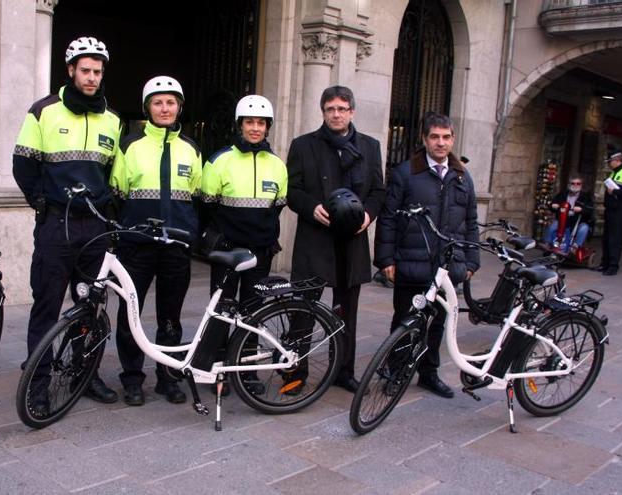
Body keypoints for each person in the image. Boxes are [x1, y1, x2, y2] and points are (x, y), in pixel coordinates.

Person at [12, 36, 121, 405]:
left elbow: (113, 175)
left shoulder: (113, 120)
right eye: (85, 70)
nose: (91, 77)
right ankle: (37, 386)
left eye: (98, 71)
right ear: (71, 70)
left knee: (91, 305)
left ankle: (83, 375)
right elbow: (23, 165)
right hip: (56, 226)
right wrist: (42, 204)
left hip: (95, 228)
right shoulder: (43, 110)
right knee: (47, 306)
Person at [108, 76, 202, 406]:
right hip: (137, 245)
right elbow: (117, 193)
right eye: (158, 102)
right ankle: (132, 378)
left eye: (171, 102)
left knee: (170, 316)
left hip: (176, 246)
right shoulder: (129, 145)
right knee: (129, 314)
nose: (165, 108)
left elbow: (195, 195)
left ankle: (167, 377)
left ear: (179, 107)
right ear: (148, 107)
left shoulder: (191, 148)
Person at [286, 85, 386, 393]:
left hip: (351, 242)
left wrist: (368, 216)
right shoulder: (303, 145)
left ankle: (344, 370)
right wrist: (310, 207)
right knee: (303, 310)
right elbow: (291, 190)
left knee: (346, 313)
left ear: (352, 112)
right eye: (330, 109)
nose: (336, 114)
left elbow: (378, 191)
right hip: (314, 239)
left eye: (342, 108)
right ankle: (295, 370)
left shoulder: (370, 146)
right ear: (323, 112)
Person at [374, 112, 479, 399]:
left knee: (437, 324)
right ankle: (396, 371)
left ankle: (428, 374)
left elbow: (470, 220)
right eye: (435, 137)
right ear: (424, 139)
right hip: (411, 261)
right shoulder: (405, 173)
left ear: (453, 139)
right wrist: (386, 259)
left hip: (446, 267)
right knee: (405, 322)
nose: (441, 143)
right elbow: (388, 218)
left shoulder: (462, 176)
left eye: (446, 137)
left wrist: (471, 261)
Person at [200, 95, 287, 394]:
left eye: (260, 123)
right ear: (240, 125)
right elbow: (207, 205)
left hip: (260, 252)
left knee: (253, 313)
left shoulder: (277, 165)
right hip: (227, 251)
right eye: (249, 122)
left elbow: (278, 206)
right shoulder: (218, 160)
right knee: (221, 310)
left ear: (267, 127)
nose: (255, 128)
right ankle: (215, 368)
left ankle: (247, 370)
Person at [599, 151, 622, 276]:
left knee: (615, 239)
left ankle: (613, 266)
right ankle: (605, 264)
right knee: (606, 238)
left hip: (621, 211)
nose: (609, 164)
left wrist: (614, 191)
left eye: (610, 161)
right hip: (610, 210)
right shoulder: (614, 173)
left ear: (617, 160)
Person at [542, 174, 593, 254]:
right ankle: (547, 244)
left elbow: (590, 210)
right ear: (569, 184)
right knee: (553, 225)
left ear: (581, 185)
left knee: (584, 228)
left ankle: (575, 247)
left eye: (578, 183)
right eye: (573, 183)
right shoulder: (562, 194)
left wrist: (582, 209)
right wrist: (553, 205)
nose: (575, 185)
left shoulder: (585, 197)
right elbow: (552, 204)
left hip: (576, 221)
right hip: (562, 219)